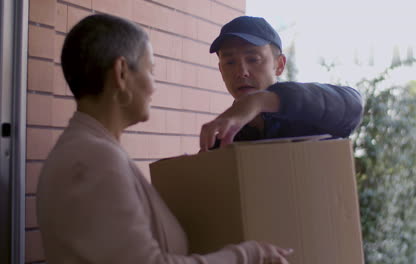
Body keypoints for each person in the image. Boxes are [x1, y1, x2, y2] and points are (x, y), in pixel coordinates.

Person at [36, 14, 292, 264]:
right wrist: (247, 255)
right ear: (121, 73)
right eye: (151, 70)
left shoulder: (92, 150)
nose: (153, 86)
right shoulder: (93, 158)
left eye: (252, 58)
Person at [199, 16, 363, 151]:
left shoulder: (307, 114)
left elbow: (354, 106)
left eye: (253, 59)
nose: (241, 72)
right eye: (230, 62)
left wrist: (259, 101)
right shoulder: (222, 141)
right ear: (221, 69)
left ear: (279, 65)